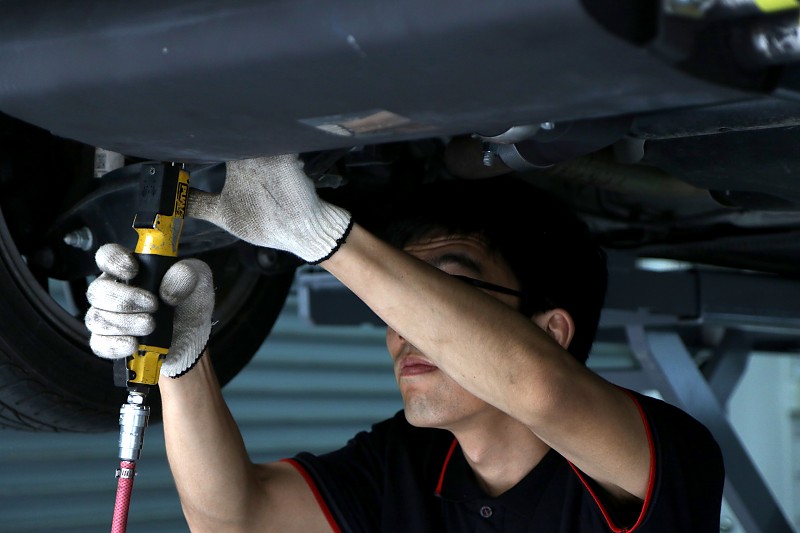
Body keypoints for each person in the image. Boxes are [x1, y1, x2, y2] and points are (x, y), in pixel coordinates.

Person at [85, 153, 724, 532]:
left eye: (447, 292)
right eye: (398, 301)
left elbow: (541, 390)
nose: (401, 329)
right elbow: (236, 520)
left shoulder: (662, 456)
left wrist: (325, 238)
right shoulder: (408, 467)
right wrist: (184, 359)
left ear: (550, 330)